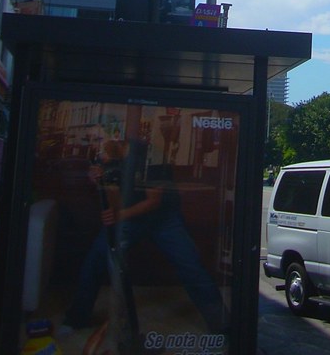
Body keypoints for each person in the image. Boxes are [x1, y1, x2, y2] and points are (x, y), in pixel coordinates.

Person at [61, 140, 228, 335]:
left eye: (104, 145)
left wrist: (118, 216)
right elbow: (115, 198)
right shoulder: (107, 158)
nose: (101, 150)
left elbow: (153, 202)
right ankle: (77, 318)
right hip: (129, 217)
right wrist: (99, 179)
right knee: (97, 259)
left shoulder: (152, 157)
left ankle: (222, 326)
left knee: (189, 263)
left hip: (163, 218)